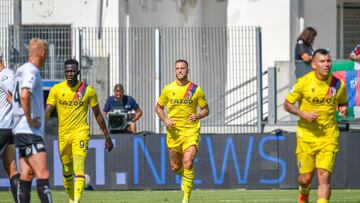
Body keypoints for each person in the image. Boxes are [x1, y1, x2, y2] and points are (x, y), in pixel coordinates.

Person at [45, 59, 114, 203]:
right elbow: (48, 111)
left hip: (80, 133)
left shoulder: (87, 91)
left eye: (72, 71)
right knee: (67, 172)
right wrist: (37, 127)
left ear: (78, 72)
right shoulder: (56, 89)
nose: (69, 73)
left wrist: (106, 136)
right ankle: (72, 199)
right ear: (64, 72)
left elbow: (97, 114)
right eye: (67, 71)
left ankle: (76, 201)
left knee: (79, 168)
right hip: (63, 135)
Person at [284, 49, 348, 203]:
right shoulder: (304, 82)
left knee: (324, 176)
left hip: (328, 137)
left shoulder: (338, 84)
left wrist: (343, 107)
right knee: (305, 179)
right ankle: (303, 194)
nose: (326, 64)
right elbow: (287, 104)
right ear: (313, 65)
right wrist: (303, 114)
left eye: (328, 61)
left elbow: (343, 102)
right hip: (306, 137)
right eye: (322, 61)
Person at [155, 59, 209, 203]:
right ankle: (184, 177)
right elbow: (158, 107)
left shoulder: (195, 90)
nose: (180, 70)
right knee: (175, 167)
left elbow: (206, 110)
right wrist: (165, 120)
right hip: (173, 133)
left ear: (187, 70)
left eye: (182, 68)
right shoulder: (168, 89)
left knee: (188, 162)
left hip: (191, 131)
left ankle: (185, 199)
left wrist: (197, 115)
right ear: (175, 70)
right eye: (177, 68)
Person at [12, 38, 52, 203]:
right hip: (29, 131)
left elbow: (14, 96)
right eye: (46, 54)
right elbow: (24, 95)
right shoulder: (32, 71)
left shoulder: (19, 70)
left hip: (19, 131)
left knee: (27, 175)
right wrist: (29, 119)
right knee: (43, 174)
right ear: (42, 53)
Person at [0, 51, 20, 202]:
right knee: (11, 168)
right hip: (8, 129)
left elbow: (18, 100)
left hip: (2, 128)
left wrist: (12, 99)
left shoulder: (6, 75)